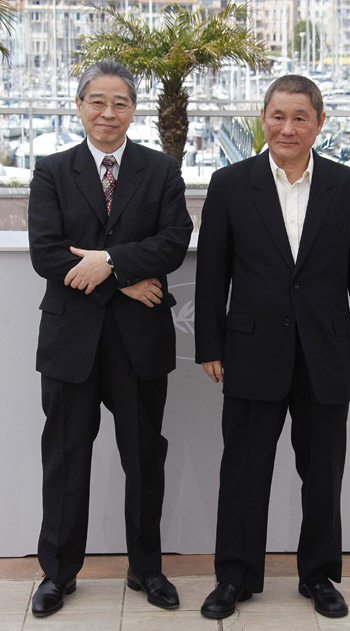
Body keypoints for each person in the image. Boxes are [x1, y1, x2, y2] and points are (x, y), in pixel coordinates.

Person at [195, 75, 350, 620]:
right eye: (278, 115)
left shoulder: (349, 187)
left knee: (323, 473)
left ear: (320, 123)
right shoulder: (231, 183)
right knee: (244, 471)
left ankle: (319, 576)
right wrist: (211, 343)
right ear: (263, 118)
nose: (288, 127)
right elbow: (213, 274)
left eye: (301, 117)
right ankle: (234, 577)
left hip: (327, 351)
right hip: (251, 351)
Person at [28, 60, 192, 617]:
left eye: (119, 102)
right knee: (67, 459)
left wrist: (108, 262)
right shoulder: (52, 171)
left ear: (133, 109)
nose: (108, 112)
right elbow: (47, 254)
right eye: (97, 101)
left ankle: (146, 569)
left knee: (144, 458)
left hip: (139, 344)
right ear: (80, 107)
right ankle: (58, 574)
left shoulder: (161, 170)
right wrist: (120, 279)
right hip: (72, 343)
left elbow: (173, 241)